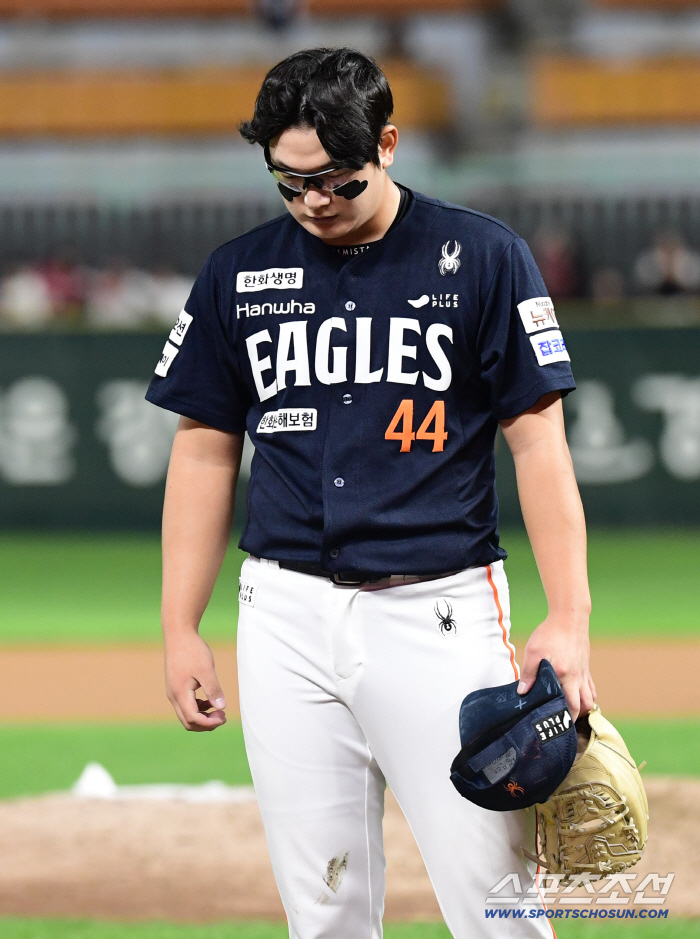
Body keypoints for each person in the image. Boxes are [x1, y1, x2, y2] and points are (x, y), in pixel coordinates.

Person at [146, 48, 595, 939]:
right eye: (289, 181)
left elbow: (538, 441)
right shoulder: (237, 274)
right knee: (324, 909)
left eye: (337, 181)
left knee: (496, 906)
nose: (314, 200)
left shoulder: (482, 257)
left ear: (387, 145)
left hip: (438, 615)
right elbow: (203, 448)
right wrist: (178, 623)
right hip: (282, 617)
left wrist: (570, 618)